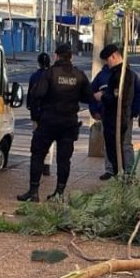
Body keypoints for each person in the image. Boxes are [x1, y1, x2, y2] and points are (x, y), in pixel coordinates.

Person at [18, 44, 91, 202]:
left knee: (38, 155)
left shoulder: (49, 73)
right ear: (71, 57)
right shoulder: (79, 75)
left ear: (56, 56)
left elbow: (37, 95)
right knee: (64, 159)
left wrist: (37, 117)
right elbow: (88, 96)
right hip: (69, 123)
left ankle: (33, 191)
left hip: (48, 122)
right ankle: (59, 193)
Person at [96, 44, 136, 180]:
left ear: (114, 56)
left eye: (107, 60)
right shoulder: (115, 73)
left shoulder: (123, 74)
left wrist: (102, 96)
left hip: (117, 118)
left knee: (118, 149)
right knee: (112, 149)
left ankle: (123, 175)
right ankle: (116, 173)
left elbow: (118, 98)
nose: (107, 64)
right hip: (111, 118)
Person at [27, 52, 53, 177]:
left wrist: (30, 107)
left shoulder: (34, 76)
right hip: (50, 114)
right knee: (49, 140)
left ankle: (37, 162)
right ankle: (46, 165)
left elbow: (30, 96)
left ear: (38, 63)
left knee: (37, 139)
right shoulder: (53, 75)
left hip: (36, 114)